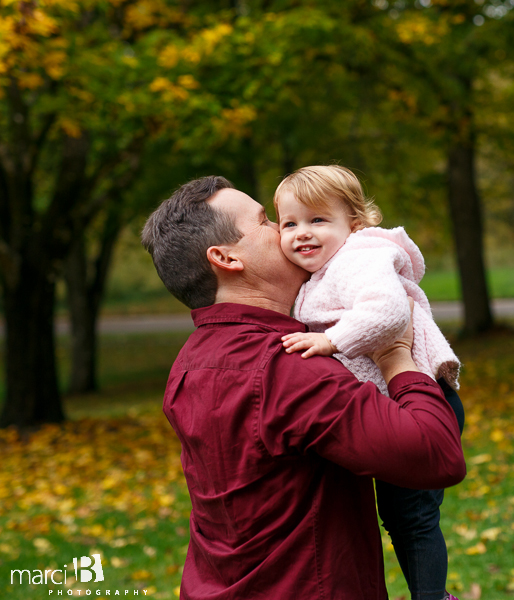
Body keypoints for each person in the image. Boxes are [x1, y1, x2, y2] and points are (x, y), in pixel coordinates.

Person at [140, 175, 466, 600]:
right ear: (226, 258)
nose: (283, 229)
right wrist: (396, 357)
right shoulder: (291, 369)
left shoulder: (188, 365)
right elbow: (437, 456)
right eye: (265, 222)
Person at [274, 165, 463, 600]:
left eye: (318, 220)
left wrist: (330, 340)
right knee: (403, 514)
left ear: (355, 225)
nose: (302, 232)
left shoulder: (358, 257)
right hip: (399, 404)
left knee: (410, 515)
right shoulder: (323, 271)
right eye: (290, 223)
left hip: (423, 400)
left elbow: (388, 312)